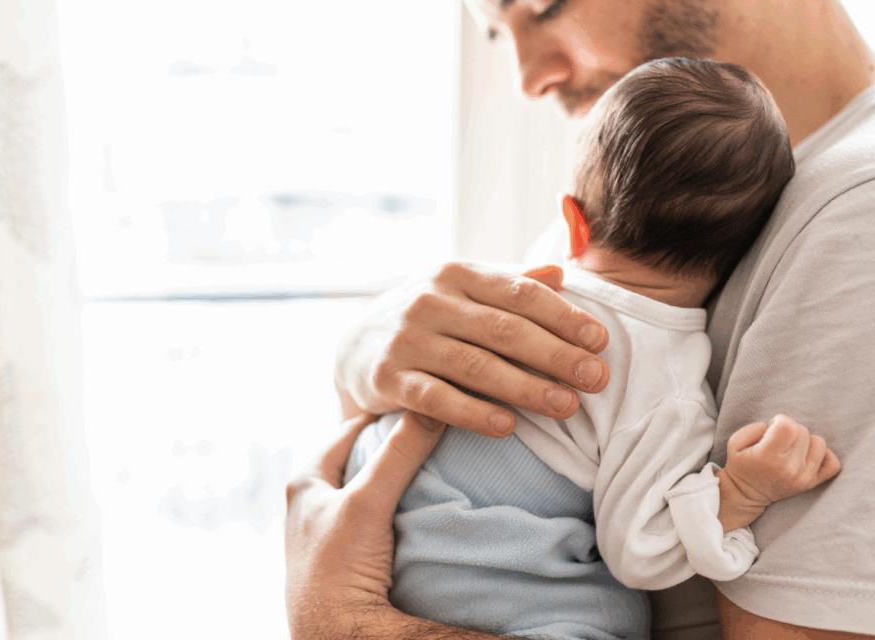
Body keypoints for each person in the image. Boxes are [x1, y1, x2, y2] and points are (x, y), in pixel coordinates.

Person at [286, 0, 875, 637]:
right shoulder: (662, 217)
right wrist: (364, 352)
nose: (527, 77)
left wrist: (342, 621)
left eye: (542, 7)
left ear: (577, 218)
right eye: (493, 34)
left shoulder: (855, 216)